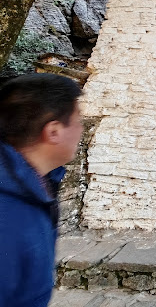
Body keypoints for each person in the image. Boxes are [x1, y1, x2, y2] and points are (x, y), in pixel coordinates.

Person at [0, 74, 83, 307]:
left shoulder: (35, 184)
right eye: (78, 120)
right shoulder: (7, 215)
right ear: (54, 131)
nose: (81, 129)